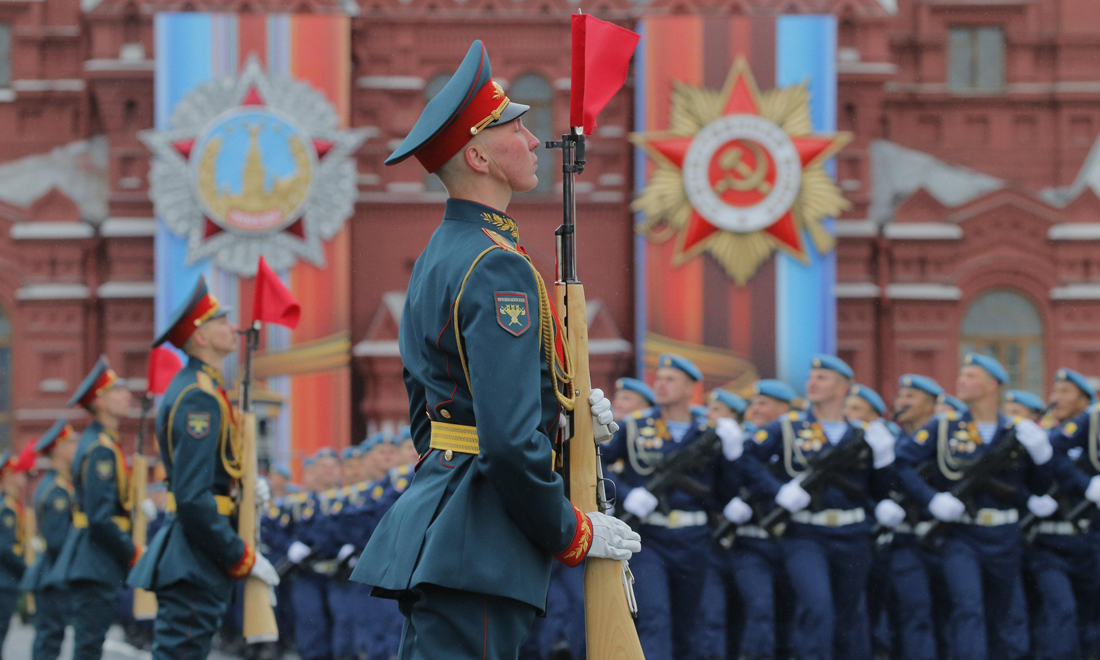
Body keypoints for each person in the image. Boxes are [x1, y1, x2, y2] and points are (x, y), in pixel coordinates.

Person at [350, 40, 639, 660]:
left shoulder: (443, 254)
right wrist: (572, 531)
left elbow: (432, 411)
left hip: (454, 523)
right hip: (478, 539)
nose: (535, 141)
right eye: (517, 126)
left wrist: (560, 407)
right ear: (478, 155)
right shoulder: (495, 267)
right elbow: (506, 439)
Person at [127, 276, 279, 660]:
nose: (233, 327)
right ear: (201, 338)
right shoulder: (199, 397)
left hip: (194, 556)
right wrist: (240, 554)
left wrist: (244, 487)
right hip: (195, 557)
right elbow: (194, 497)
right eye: (221, 321)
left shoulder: (203, 388)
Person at [732, 355, 898, 660]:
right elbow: (746, 459)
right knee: (817, 607)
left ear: (843, 387)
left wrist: (885, 459)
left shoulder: (861, 434)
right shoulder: (789, 426)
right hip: (805, 534)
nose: (812, 382)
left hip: (853, 534)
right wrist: (778, 491)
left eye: (822, 378)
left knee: (849, 616)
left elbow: (877, 488)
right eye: (812, 376)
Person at [895, 353, 1054, 660]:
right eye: (961, 374)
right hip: (961, 535)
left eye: (970, 376)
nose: (961, 381)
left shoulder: (1015, 431)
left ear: (992, 385)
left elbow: (1039, 486)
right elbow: (901, 465)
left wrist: (1042, 454)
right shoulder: (945, 426)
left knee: (1000, 613)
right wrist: (932, 499)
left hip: (1005, 534)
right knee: (968, 608)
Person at [602, 354, 734, 659]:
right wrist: (625, 492)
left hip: (695, 538)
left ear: (690, 388)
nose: (660, 385)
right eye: (658, 378)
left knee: (689, 624)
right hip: (650, 539)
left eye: (670, 379)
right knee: (655, 616)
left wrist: (732, 455)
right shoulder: (634, 425)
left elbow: (724, 491)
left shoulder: (707, 433)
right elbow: (600, 462)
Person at [44, 356, 137, 660]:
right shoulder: (99, 448)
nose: (127, 396)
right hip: (96, 560)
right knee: (88, 646)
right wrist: (130, 551)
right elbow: (100, 516)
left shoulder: (102, 442)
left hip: (95, 559)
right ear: (100, 402)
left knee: (89, 644)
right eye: (117, 391)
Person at [1029, 369, 1100, 660]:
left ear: (1085, 401)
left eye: (1065, 392)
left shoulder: (1091, 435)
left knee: (1090, 618)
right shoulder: (1046, 440)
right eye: (1054, 392)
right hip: (1050, 541)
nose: (1056, 399)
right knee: (1062, 613)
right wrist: (1085, 485)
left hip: (1090, 540)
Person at [23, 419, 76, 660]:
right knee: (49, 640)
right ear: (58, 449)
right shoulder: (56, 490)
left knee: (50, 638)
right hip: (53, 575)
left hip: (52, 573)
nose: (76, 448)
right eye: (71, 443)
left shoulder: (60, 485)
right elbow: (57, 541)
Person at [0, 450, 28, 648]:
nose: (23, 478)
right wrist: (26, 568)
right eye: (19, 473)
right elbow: (5, 548)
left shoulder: (9, 505)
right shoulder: (6, 509)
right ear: (8, 475)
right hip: (4, 581)